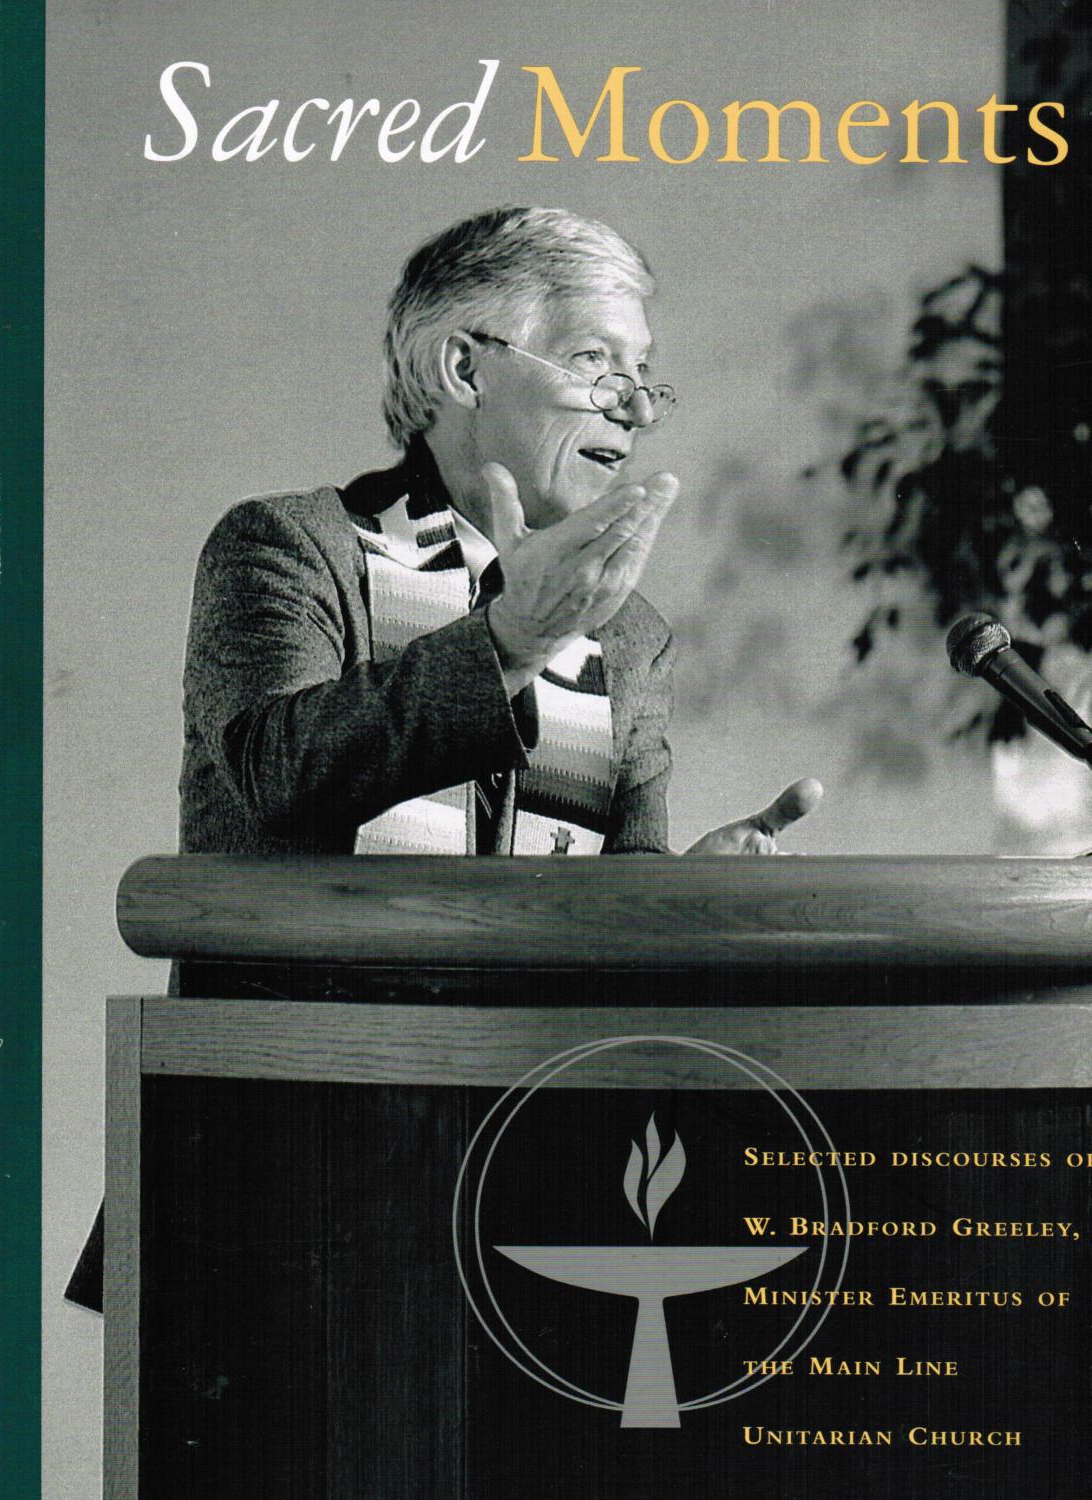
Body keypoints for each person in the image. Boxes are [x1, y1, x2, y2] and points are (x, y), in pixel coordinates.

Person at [66, 204, 820, 1312]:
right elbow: (279, 771)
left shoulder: (628, 634)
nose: (632, 406)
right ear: (465, 368)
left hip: (524, 1157)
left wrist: (686, 897)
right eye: (595, 361)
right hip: (286, 1150)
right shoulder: (292, 548)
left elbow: (607, 909)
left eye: (643, 373)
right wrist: (508, 642)